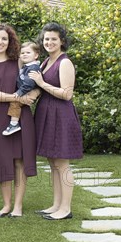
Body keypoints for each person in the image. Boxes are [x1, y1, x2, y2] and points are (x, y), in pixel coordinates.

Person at [0, 24, 38, 218]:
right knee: (3, 161)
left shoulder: (19, 61)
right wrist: (17, 98)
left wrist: (34, 94)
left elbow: (37, 80)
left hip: (21, 115)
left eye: (4, 39)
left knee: (20, 161)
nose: (0, 42)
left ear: (10, 41)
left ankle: (18, 206)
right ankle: (6, 205)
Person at [30, 22, 83, 220]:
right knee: (53, 162)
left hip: (61, 115)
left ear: (62, 41)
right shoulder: (45, 62)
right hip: (47, 113)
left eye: (54, 39)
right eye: (46, 39)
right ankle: (56, 205)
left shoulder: (64, 62)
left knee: (62, 163)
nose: (49, 42)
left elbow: (67, 94)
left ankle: (66, 209)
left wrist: (42, 83)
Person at [2, 42, 41, 136]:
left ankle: (14, 124)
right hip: (25, 91)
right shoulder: (27, 66)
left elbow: (29, 83)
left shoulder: (33, 67)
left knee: (15, 103)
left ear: (36, 55)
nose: (24, 55)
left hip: (27, 92)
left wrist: (19, 92)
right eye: (22, 53)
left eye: (28, 53)